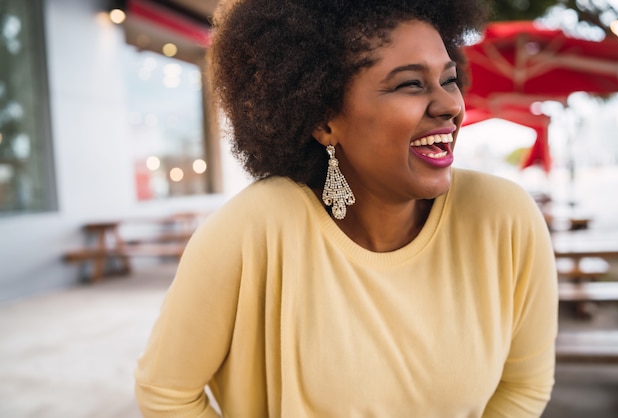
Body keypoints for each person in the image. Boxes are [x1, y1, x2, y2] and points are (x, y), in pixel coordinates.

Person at [134, 0, 558, 416]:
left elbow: (523, 386)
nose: (450, 105)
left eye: (448, 80)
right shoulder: (252, 232)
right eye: (410, 84)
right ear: (323, 121)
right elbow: (165, 393)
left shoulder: (504, 219)